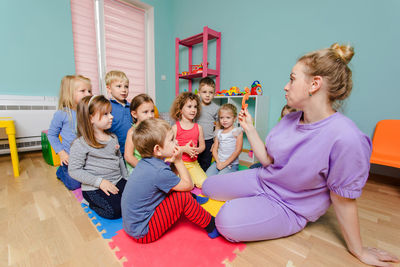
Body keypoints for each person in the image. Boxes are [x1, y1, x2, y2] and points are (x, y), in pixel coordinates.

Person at [202, 43, 399, 266]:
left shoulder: (346, 137)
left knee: (225, 220)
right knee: (209, 186)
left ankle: (261, 211)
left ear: (315, 84)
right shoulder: (289, 120)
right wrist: (248, 128)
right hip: (263, 180)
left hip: (289, 206)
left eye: (292, 79)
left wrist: (358, 250)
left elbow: (343, 200)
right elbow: (267, 161)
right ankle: (254, 204)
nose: (286, 86)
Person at [121, 118, 219, 243]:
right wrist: (178, 161)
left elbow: (170, 179)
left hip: (133, 226)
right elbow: (188, 185)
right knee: (183, 196)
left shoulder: (147, 163)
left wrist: (174, 163)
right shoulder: (158, 171)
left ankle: (193, 201)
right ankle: (212, 225)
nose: (176, 141)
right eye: (172, 140)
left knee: (174, 185)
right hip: (144, 232)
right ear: (157, 149)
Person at [69, 95, 127, 219]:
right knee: (116, 211)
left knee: (137, 199)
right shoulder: (80, 143)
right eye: (105, 114)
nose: (111, 117)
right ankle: (90, 203)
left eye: (110, 113)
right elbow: (74, 170)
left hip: (117, 180)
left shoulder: (113, 138)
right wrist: (100, 182)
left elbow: (120, 159)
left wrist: (126, 178)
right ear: (91, 118)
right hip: (94, 187)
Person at [48, 75, 92, 190]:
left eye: (89, 91)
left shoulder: (88, 113)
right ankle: (61, 172)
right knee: (74, 185)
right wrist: (62, 153)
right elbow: (52, 135)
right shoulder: (62, 114)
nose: (88, 94)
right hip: (70, 157)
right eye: (83, 91)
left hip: (86, 156)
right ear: (69, 93)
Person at [170, 92, 207, 188]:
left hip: (193, 163)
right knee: (181, 185)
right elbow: (170, 147)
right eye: (189, 106)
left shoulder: (198, 127)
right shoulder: (175, 128)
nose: (193, 110)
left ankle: (192, 179)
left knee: (204, 184)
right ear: (180, 109)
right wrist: (184, 149)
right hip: (178, 164)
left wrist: (197, 150)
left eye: (195, 107)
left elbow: (202, 146)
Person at [249, 104, 297, 169]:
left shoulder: (294, 134)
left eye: (288, 117)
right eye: (283, 117)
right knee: (252, 167)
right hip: (271, 160)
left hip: (280, 165)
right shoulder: (278, 129)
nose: (284, 120)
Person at [206, 104, 243, 176]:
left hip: (231, 164)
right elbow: (214, 149)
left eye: (228, 117)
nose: (224, 120)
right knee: (206, 177)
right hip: (218, 162)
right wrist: (218, 162)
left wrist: (224, 164)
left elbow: (238, 150)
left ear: (234, 118)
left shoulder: (237, 131)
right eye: (221, 117)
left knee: (220, 180)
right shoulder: (219, 132)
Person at [124, 94, 155, 175]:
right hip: (137, 166)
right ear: (134, 114)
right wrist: (144, 169)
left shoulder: (153, 129)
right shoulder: (132, 132)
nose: (150, 115)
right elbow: (128, 156)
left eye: (152, 111)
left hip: (151, 164)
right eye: (145, 112)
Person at [106, 70, 132, 156]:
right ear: (109, 89)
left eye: (126, 87)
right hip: (114, 150)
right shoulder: (107, 106)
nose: (124, 90)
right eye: (119, 86)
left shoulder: (132, 106)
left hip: (132, 148)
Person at [196, 77, 219, 172]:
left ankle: (204, 179)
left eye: (210, 92)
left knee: (206, 162)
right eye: (204, 92)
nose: (207, 95)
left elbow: (218, 125)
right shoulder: (195, 106)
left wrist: (215, 141)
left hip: (208, 140)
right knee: (194, 161)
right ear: (199, 93)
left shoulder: (216, 108)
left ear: (214, 94)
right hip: (195, 139)